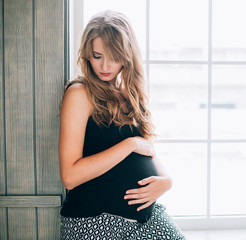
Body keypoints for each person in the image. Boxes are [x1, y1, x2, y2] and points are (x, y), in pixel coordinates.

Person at [58, 10, 185, 239]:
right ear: (87, 55)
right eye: (97, 56)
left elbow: (147, 149)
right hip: (94, 219)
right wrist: (128, 145)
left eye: (113, 56)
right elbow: (70, 176)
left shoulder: (129, 94)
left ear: (127, 56)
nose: (104, 65)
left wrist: (166, 181)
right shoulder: (80, 93)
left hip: (147, 219)